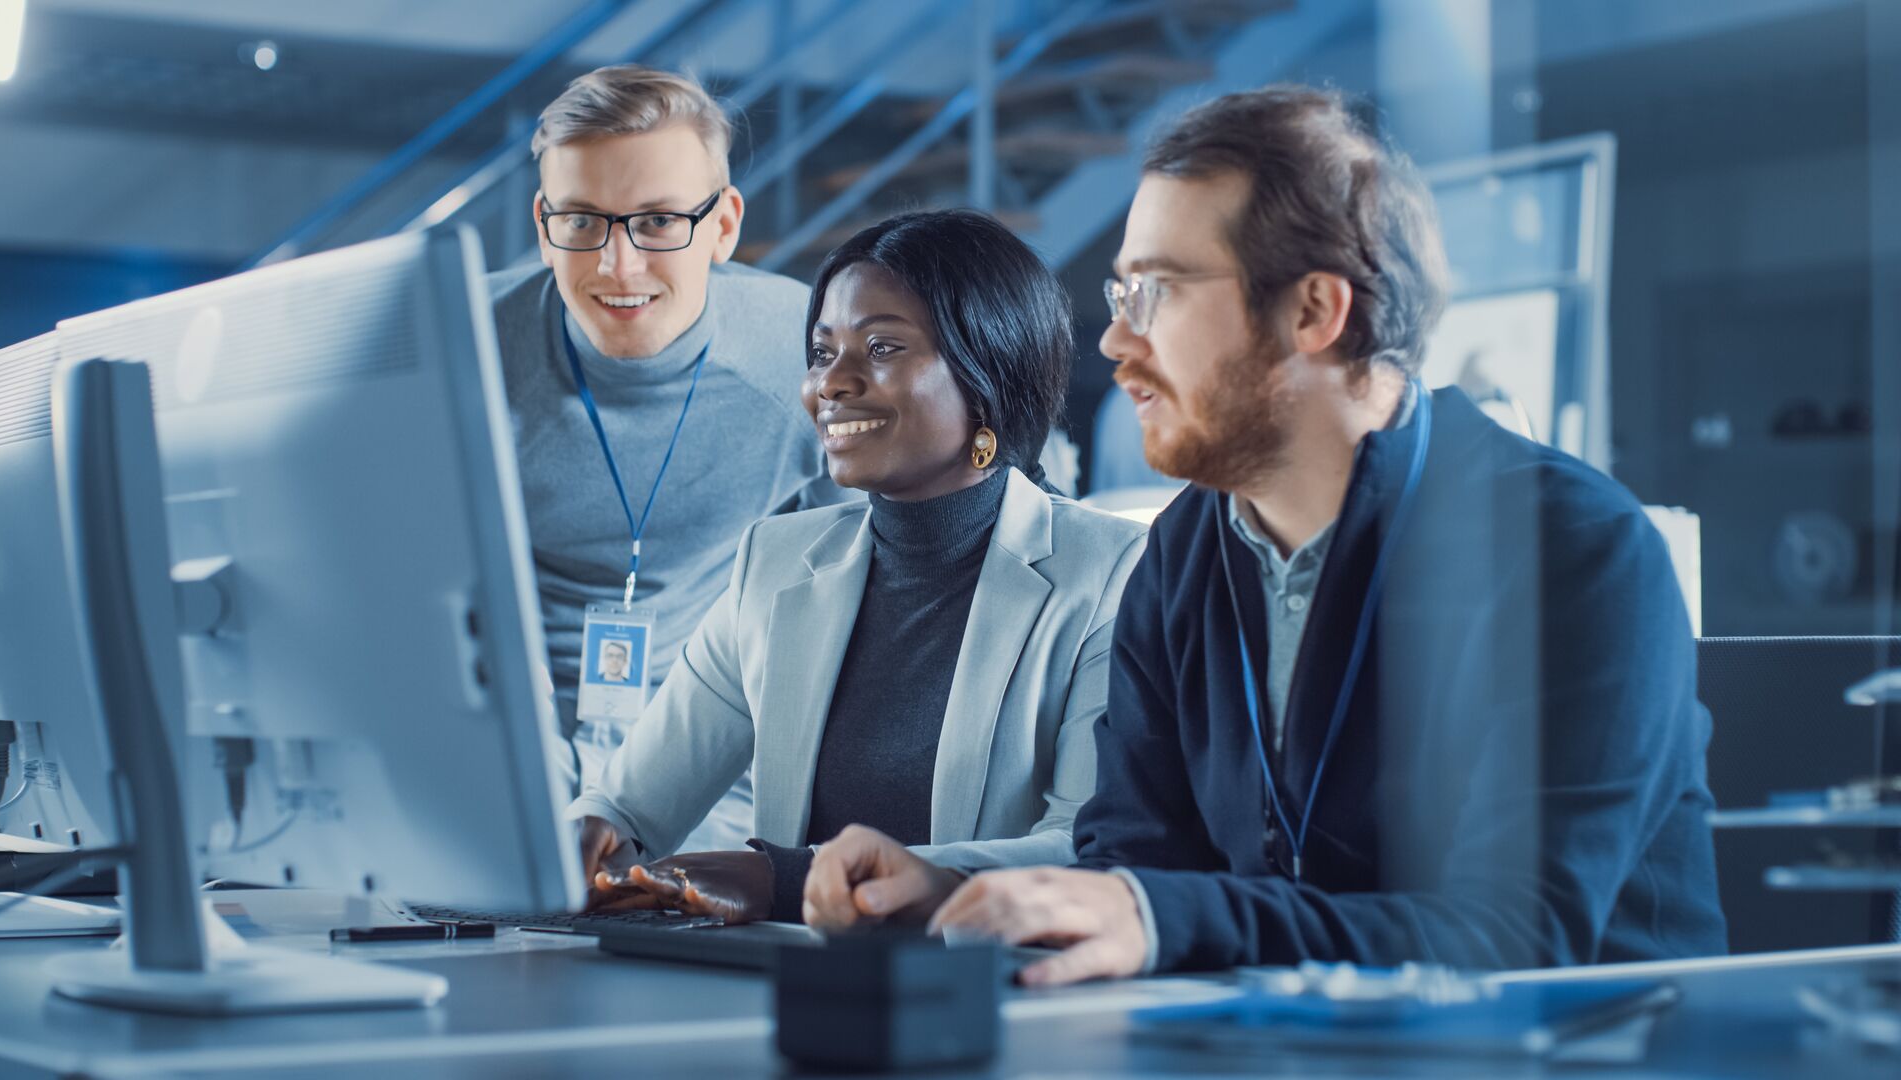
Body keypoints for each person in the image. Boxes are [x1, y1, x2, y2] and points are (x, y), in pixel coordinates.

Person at [801, 86, 1728, 985]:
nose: (1117, 344)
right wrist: (966, 893)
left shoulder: (1574, 549)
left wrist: (1156, 916)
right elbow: (1138, 861)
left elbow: (1514, 936)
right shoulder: (1187, 549)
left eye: (1157, 292)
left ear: (1315, 312)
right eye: (1121, 294)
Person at [565, 210, 1147, 923]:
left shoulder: (1112, 573)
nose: (831, 384)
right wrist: (591, 835)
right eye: (820, 351)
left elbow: (1084, 850)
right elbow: (631, 804)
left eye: (881, 347)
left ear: (987, 371)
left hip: (989, 997)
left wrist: (786, 878)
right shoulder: (773, 564)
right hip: (791, 991)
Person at [490, 66, 848, 850]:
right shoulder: (460, 347)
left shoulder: (811, 354)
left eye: (656, 222)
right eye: (583, 221)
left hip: (704, 771)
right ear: (543, 219)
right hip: (496, 757)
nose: (618, 267)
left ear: (723, 225)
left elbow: (858, 599)